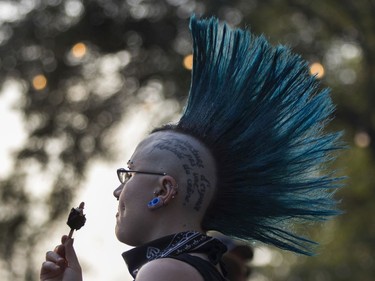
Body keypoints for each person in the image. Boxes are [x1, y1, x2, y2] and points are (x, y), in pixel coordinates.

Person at [40, 14, 343, 281]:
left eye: (129, 174)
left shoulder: (164, 271)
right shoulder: (201, 267)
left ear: (163, 191)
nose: (117, 191)